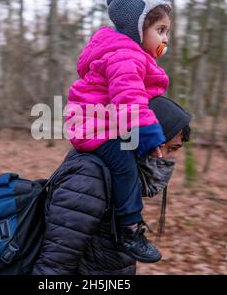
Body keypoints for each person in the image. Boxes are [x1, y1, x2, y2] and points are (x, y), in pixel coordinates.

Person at [65, 0, 173, 263]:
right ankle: (130, 229)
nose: (165, 39)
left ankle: (119, 212)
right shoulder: (126, 56)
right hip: (94, 126)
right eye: (160, 30)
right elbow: (130, 99)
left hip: (105, 122)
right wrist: (149, 135)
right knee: (124, 166)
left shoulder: (129, 54)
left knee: (129, 163)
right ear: (138, 29)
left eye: (167, 32)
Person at [32, 96, 192, 275]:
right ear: (142, 135)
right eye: (168, 148)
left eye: (173, 150)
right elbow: (55, 263)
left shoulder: (122, 178)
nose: (166, 158)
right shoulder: (90, 177)